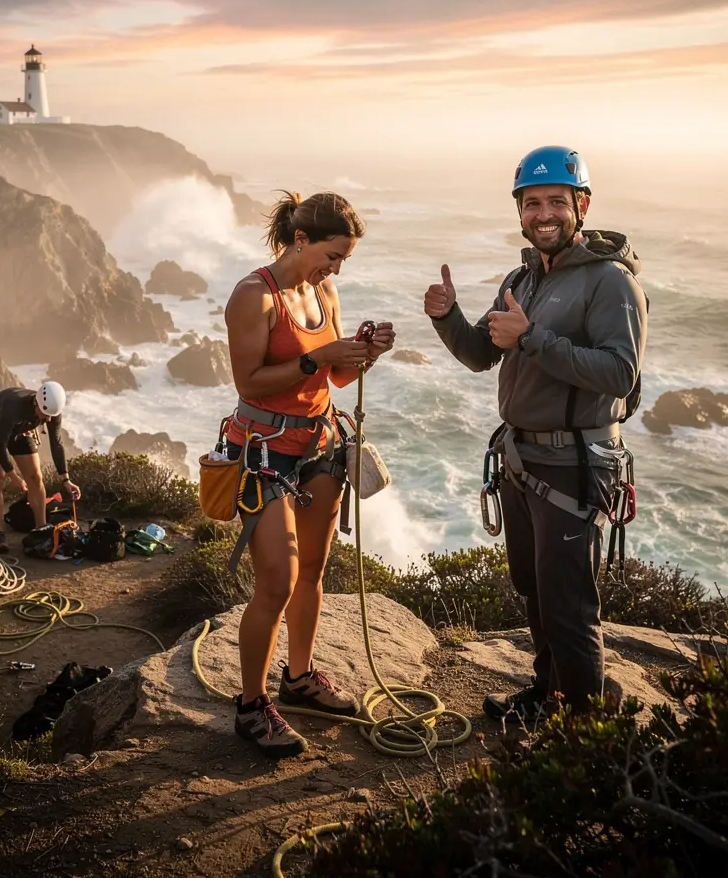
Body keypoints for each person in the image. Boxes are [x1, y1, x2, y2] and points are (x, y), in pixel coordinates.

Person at [423, 145, 647, 726]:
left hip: (574, 465)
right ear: (520, 211)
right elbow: (481, 353)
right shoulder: (522, 280)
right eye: (532, 203)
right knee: (535, 589)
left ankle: (586, 735)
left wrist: (532, 339)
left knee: (568, 604)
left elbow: (619, 373)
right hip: (521, 460)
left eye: (556, 202)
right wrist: (448, 317)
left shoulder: (610, 282)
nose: (543, 214)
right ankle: (550, 696)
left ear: (582, 206)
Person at [223, 190, 396, 759]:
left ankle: (297, 678)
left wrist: (364, 353)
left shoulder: (324, 291)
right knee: (277, 581)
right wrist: (317, 358)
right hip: (264, 452)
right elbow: (250, 383)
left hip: (320, 443)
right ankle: (251, 706)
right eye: (333, 255)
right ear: (301, 240)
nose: (337, 269)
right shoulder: (254, 296)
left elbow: (337, 378)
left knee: (313, 571)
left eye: (344, 259)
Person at [0, 382, 80, 553]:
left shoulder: (52, 411)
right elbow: (0, 445)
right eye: (45, 415)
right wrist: (13, 476)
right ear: (36, 403)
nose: (48, 420)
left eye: (51, 416)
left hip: (20, 428)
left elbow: (56, 444)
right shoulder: (13, 407)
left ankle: (41, 529)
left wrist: (66, 479)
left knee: (35, 477)